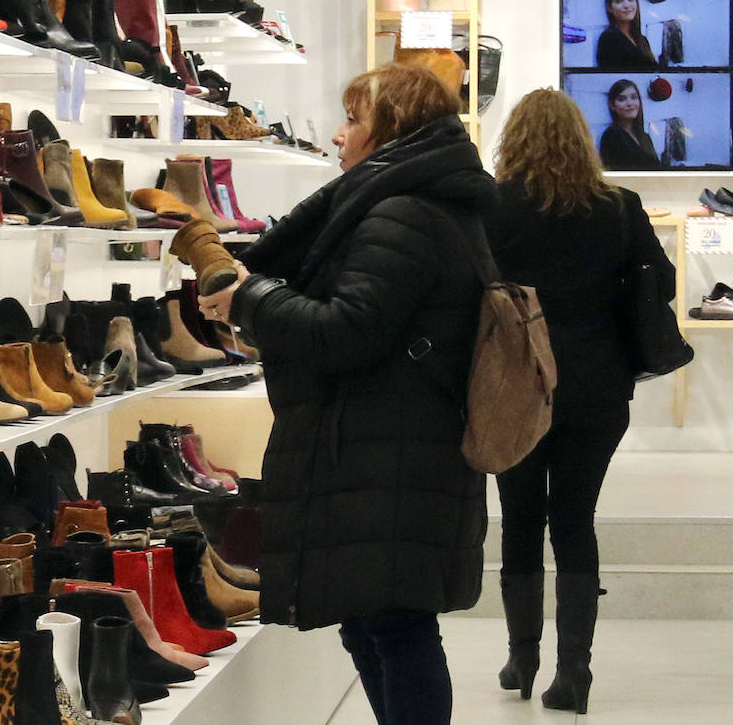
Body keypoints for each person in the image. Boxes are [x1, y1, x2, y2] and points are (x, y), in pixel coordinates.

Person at [196, 63, 491, 725]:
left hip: (389, 452)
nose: (338, 133)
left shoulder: (404, 213)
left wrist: (251, 296)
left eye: (354, 119)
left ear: (392, 129)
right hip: (386, 446)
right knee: (373, 622)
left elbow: (343, 332)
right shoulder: (415, 202)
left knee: (394, 626)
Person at [487, 88, 672, 714]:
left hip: (516, 382)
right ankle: (574, 673)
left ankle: (522, 654)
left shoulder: (493, 207)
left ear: (512, 140)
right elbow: (661, 282)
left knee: (519, 515)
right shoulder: (618, 207)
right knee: (574, 521)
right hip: (597, 383)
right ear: (581, 140)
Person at [597, 79, 661, 170]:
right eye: (622, 99)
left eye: (634, 97)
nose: (629, 103)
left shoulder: (644, 136)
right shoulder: (611, 136)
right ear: (612, 105)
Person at [595, 0, 657, 69]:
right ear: (609, 7)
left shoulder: (642, 40)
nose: (627, 5)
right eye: (619, 1)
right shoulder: (609, 39)